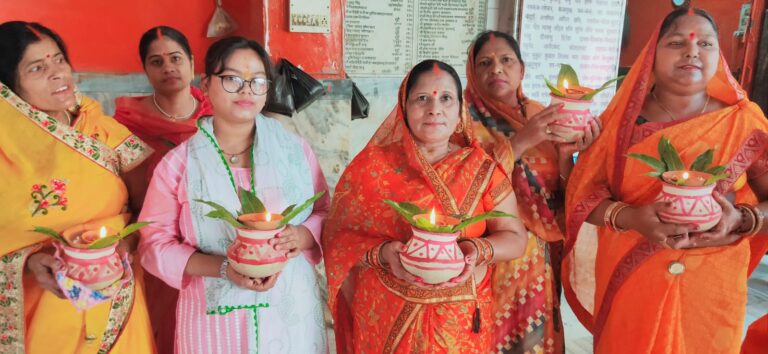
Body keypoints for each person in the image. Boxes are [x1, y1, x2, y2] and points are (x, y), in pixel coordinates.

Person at [563, 8, 768, 353]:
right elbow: (581, 197)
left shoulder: (744, 121)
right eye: (677, 43)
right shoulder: (620, 124)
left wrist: (741, 218)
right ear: (651, 56)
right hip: (633, 279)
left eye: (705, 43)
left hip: (711, 287)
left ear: (719, 56)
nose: (692, 52)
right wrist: (632, 218)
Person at [323, 59, 530, 353]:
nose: (434, 108)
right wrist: (384, 254)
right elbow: (338, 240)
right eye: (422, 98)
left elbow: (515, 236)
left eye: (446, 98)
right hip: (385, 314)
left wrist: (475, 251)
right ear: (404, 107)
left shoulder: (482, 169)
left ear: (460, 111)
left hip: (457, 323)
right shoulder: (372, 167)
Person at [138, 36, 329, 353]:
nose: (246, 90)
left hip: (290, 312)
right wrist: (222, 267)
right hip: (213, 320)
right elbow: (152, 243)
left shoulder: (295, 151)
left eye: (258, 81)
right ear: (206, 83)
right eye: (232, 79)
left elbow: (324, 212)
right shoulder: (180, 164)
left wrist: (302, 235)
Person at [0, 21, 154, 353]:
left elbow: (148, 208)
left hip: (115, 299)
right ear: (8, 89)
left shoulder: (102, 132)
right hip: (43, 315)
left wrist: (126, 245)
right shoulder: (5, 154)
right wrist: (27, 262)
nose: (58, 73)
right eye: (37, 68)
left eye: (59, 59)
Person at [464, 30, 601, 352]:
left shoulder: (542, 114)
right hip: (493, 256)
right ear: (472, 72)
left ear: (522, 69)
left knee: (537, 342)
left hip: (542, 259)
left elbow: (562, 191)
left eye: (506, 60)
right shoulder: (463, 122)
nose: (496, 69)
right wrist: (521, 142)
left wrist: (567, 156)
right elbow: (464, 185)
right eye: (485, 63)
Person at [112, 25, 212, 354]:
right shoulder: (126, 123)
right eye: (157, 61)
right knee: (161, 330)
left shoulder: (217, 116)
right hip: (154, 242)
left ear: (192, 63)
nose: (168, 67)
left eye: (175, 58)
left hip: (210, 243)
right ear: (146, 69)